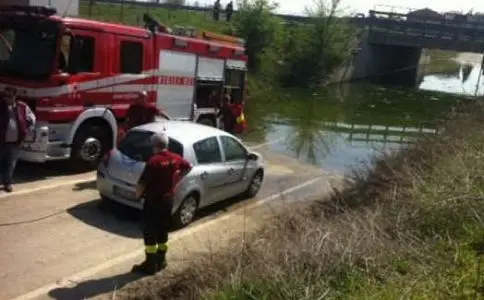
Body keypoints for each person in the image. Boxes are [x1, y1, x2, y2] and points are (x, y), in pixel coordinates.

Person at [132, 132, 192, 275]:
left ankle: (151, 265)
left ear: (155, 145)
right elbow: (188, 166)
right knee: (163, 231)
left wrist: (137, 196)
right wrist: (177, 180)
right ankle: (162, 261)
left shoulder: (154, 161)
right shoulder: (175, 158)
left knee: (150, 233)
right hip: (168, 201)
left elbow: (142, 183)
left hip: (153, 202)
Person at [0, 86, 36, 193]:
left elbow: (32, 119)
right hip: (1, 141)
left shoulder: (22, 107)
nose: (6, 98)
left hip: (15, 142)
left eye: (9, 96)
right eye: (4, 96)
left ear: (15, 96)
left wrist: (26, 129)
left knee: (11, 163)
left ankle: (7, 183)